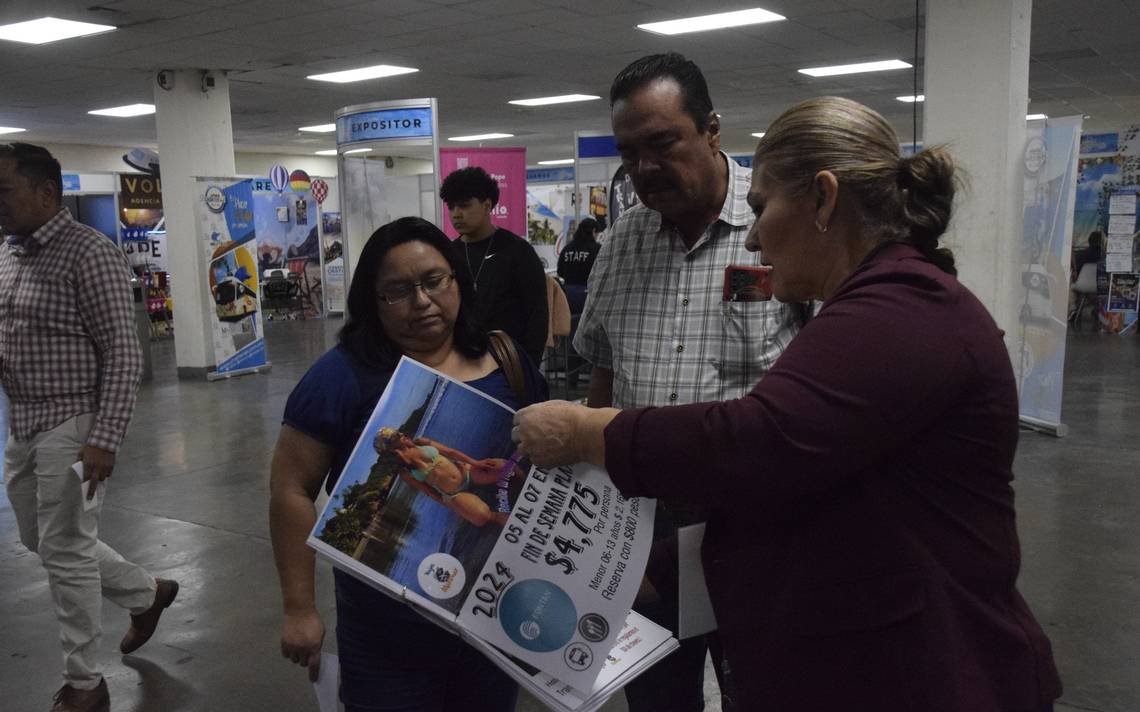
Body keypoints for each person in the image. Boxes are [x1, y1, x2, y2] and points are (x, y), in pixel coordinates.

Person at [512, 96, 1063, 712]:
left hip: (929, 672)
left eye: (761, 208)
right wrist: (661, 571)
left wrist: (588, 432)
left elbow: (757, 441)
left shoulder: (902, 311)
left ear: (824, 199)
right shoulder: (876, 307)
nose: (752, 238)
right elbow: (807, 492)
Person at [572, 53, 802, 712]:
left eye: (662, 143)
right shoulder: (622, 242)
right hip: (644, 540)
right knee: (656, 699)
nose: (644, 168)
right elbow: (603, 378)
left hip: (754, 531)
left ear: (712, 129)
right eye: (629, 153)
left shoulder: (778, 224)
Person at [269, 217, 547, 712]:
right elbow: (291, 488)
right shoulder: (341, 376)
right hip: (384, 632)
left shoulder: (506, 357)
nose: (421, 301)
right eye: (397, 291)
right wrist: (299, 607)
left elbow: (548, 465)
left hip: (494, 619)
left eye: (434, 281)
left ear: (457, 281)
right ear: (372, 301)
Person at [0, 143, 178, 712]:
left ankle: (85, 683)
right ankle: (147, 593)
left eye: (4, 190)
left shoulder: (90, 253)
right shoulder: (8, 252)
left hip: (73, 421)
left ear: (46, 193)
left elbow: (123, 352)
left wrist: (104, 437)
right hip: (23, 420)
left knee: (67, 550)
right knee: (42, 539)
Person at [441, 166, 548, 363]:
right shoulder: (448, 254)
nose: (456, 214)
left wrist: (530, 365)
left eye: (464, 206)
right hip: (460, 360)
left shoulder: (518, 251)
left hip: (509, 358)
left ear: (487, 205)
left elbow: (537, 313)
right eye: (451, 207)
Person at [375, 427, 521, 527]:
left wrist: (476, 463)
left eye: (397, 432)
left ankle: (524, 483)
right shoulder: (404, 471)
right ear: (389, 447)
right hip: (455, 494)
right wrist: (453, 506)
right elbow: (428, 491)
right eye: (395, 436)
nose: (400, 434)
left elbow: (451, 452)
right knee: (483, 517)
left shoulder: (420, 442)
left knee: (506, 466)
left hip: (466, 472)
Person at [556, 217, 601, 314]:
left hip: (567, 294)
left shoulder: (567, 248)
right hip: (588, 294)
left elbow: (560, 271)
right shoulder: (597, 249)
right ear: (594, 231)